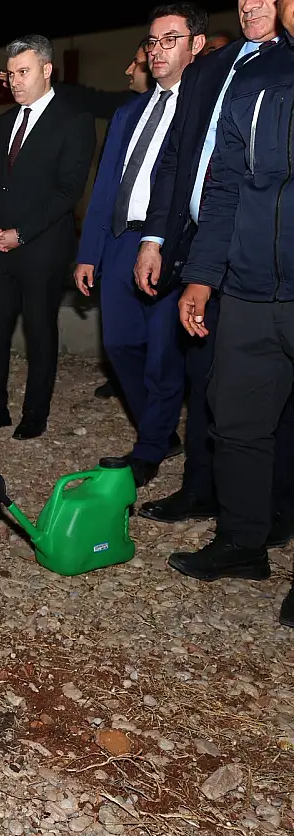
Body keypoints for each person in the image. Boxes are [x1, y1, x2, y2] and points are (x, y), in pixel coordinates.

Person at [135, 0, 292, 531]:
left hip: (268, 252)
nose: (252, 6)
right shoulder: (215, 69)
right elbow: (178, 157)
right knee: (208, 381)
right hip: (205, 245)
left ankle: (273, 506)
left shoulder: (282, 69)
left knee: (274, 391)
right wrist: (156, 236)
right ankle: (205, 489)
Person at [167, 0, 294, 627]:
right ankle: (244, 543)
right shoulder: (252, 77)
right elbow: (225, 186)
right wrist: (202, 277)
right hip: (246, 287)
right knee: (237, 419)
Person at [73, 3, 206, 488]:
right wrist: (89, 251)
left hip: (173, 246)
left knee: (162, 355)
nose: (157, 50)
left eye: (170, 39)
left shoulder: (203, 108)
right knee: (119, 345)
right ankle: (161, 428)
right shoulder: (129, 111)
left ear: (195, 45)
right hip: (119, 243)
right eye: (152, 41)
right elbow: (105, 185)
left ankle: (151, 444)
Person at [0, 34, 97, 440]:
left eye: (24, 72)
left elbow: (67, 191)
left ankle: (35, 413)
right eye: (11, 73)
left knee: (39, 331)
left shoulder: (74, 119)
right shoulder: (4, 122)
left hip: (41, 248)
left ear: (47, 69)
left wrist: (21, 234)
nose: (16, 81)